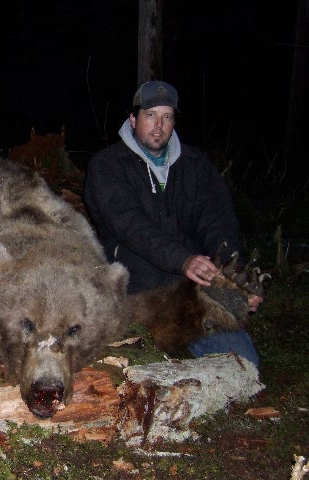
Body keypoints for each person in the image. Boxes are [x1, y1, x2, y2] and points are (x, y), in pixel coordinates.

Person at [83, 80, 263, 366]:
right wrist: (183, 259)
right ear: (133, 119)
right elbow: (128, 225)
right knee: (130, 374)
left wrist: (233, 274)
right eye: (150, 115)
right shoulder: (107, 165)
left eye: (167, 116)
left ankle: (216, 315)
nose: (159, 125)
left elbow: (217, 222)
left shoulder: (194, 165)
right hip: (136, 290)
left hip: (190, 292)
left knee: (243, 366)